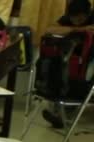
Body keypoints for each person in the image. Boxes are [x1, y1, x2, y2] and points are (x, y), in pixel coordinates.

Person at [42, 0, 94, 129]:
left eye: (80, 17)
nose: (76, 19)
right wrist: (77, 29)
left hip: (90, 58)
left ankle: (63, 112)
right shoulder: (68, 19)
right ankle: (60, 113)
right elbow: (49, 29)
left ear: (87, 14)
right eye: (73, 17)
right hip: (72, 57)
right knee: (58, 68)